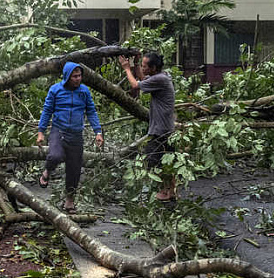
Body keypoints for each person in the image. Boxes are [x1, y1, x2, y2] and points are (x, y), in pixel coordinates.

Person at [37, 62, 104, 213]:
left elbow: (91, 111)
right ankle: (47, 171)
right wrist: (41, 131)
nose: (77, 79)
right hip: (58, 131)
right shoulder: (55, 90)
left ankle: (69, 202)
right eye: (74, 76)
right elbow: (47, 110)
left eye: (79, 76)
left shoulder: (84, 91)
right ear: (67, 76)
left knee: (74, 170)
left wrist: (97, 132)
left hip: (76, 135)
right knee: (55, 156)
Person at [118, 52, 176, 201]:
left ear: (153, 68)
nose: (142, 68)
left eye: (145, 66)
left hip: (160, 129)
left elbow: (136, 85)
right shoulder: (161, 77)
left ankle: (164, 191)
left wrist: (126, 69)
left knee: (154, 161)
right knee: (168, 160)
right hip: (166, 127)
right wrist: (136, 65)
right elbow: (144, 80)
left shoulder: (160, 79)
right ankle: (172, 192)